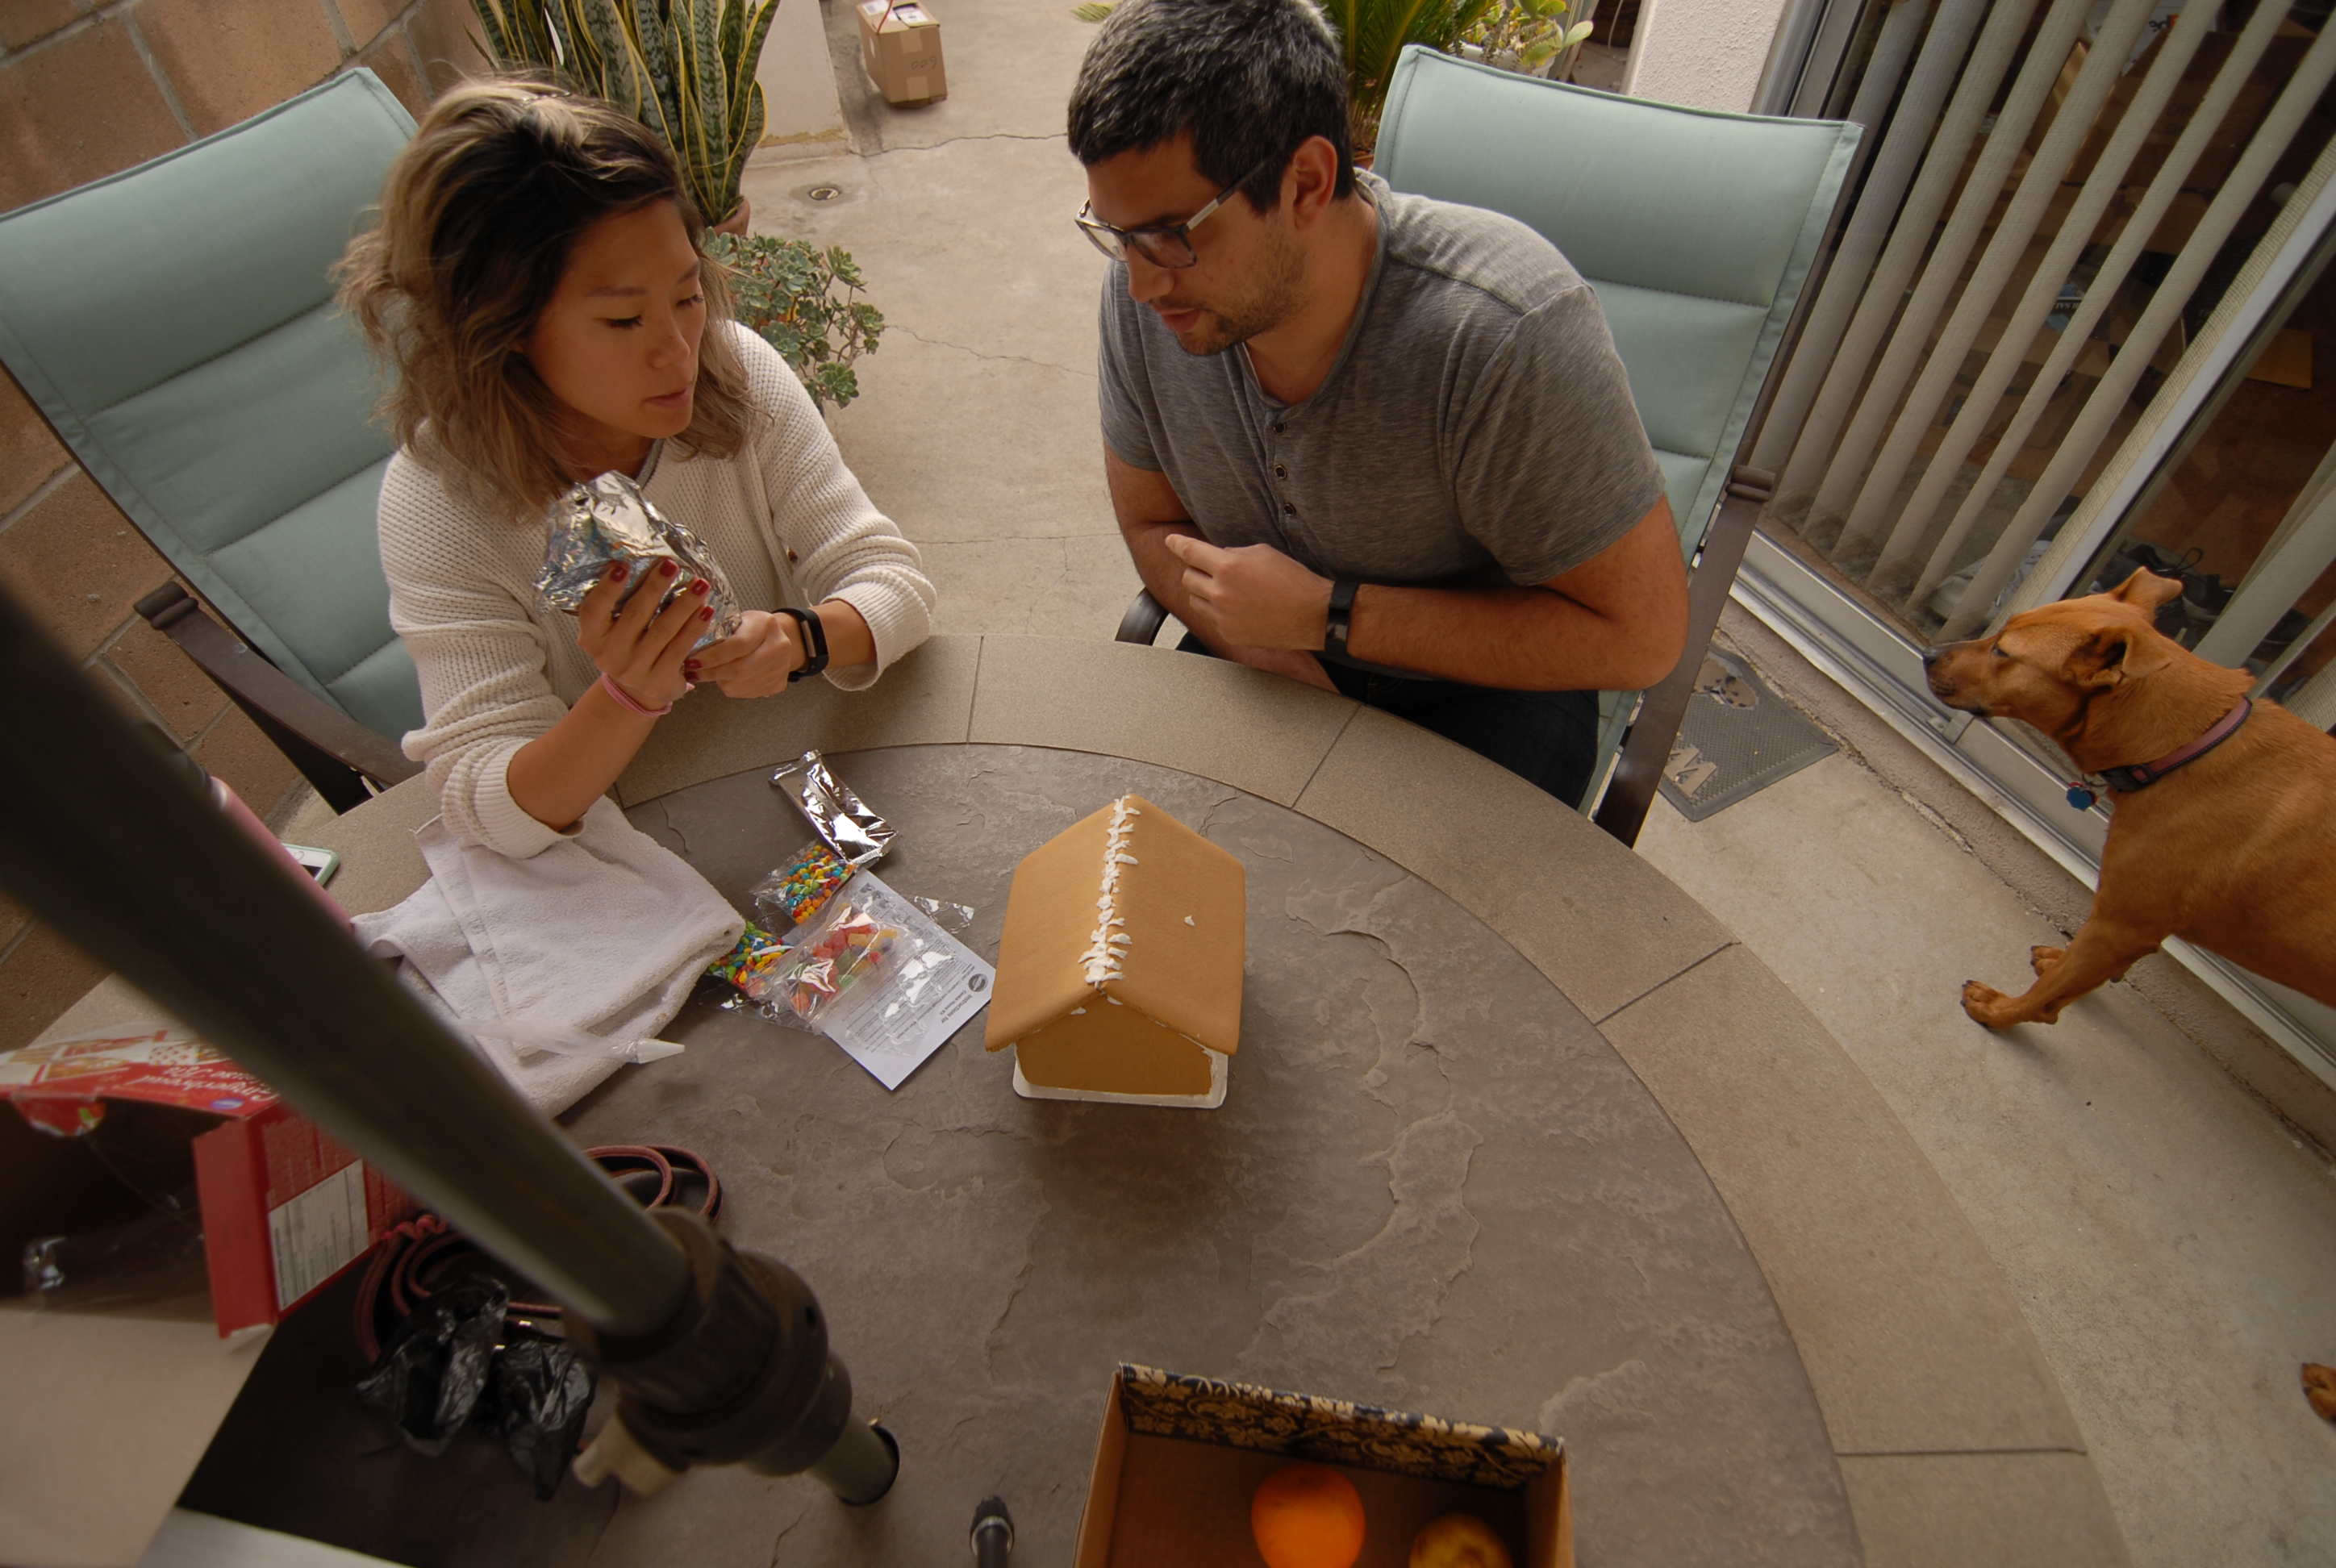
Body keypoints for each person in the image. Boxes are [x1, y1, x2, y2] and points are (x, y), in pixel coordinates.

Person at [1066, 0, 1689, 807]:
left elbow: (1641, 638)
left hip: (1485, 689)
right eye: (1116, 235)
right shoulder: (1146, 298)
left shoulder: (1504, 333)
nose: (1141, 284)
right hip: (1259, 653)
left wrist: (1326, 617)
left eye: (1170, 237)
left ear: (1306, 183)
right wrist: (1279, 660)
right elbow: (1152, 524)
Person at [340, 80, 934, 858]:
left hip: (787, 793)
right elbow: (484, 807)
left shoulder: (736, 373)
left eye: (687, 296)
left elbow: (894, 584)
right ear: (503, 324)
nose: (678, 351)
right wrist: (627, 695)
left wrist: (800, 640)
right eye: (623, 320)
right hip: (623, 844)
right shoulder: (439, 501)